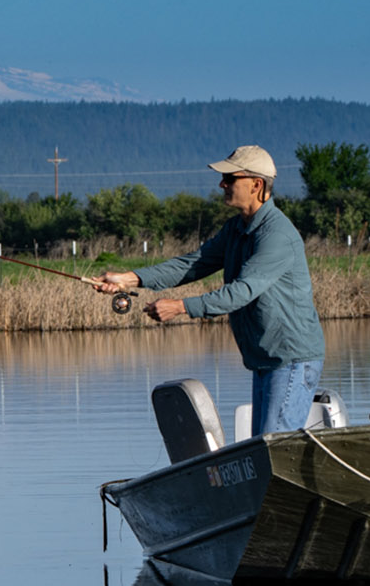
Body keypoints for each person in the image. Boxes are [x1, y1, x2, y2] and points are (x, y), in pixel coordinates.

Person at [95, 145, 326, 435]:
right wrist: (128, 279)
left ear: (256, 185)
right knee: (265, 447)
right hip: (266, 359)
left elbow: (240, 292)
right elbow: (192, 264)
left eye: (230, 178)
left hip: (291, 360)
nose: (222, 184)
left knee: (272, 450)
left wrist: (181, 307)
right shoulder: (236, 229)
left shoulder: (277, 235)